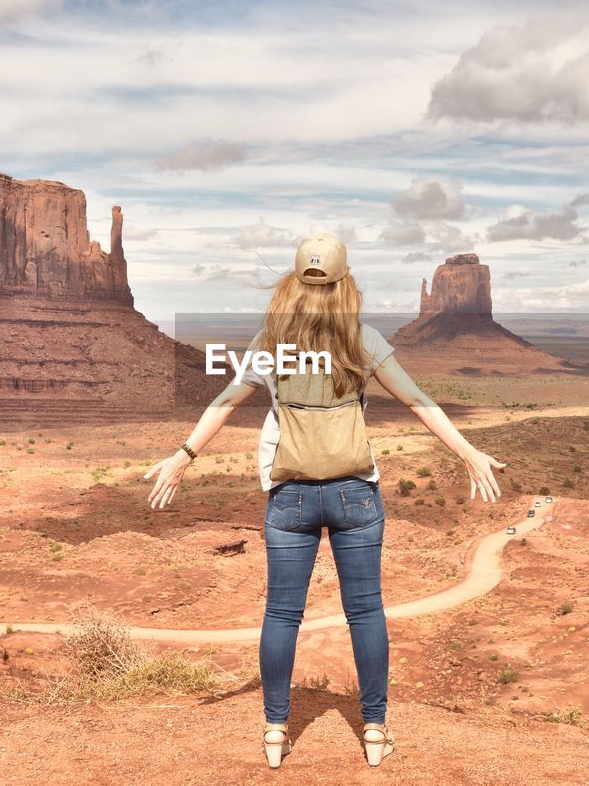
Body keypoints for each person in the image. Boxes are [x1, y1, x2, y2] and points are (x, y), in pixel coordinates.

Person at [142, 232, 505, 769]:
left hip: (290, 496)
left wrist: (183, 455)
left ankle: (274, 732)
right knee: (366, 611)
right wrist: (469, 452)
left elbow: (225, 400)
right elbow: (417, 400)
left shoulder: (273, 341)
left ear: (293, 284)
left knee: (282, 614)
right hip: (355, 492)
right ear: (344, 284)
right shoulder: (362, 338)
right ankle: (376, 732)